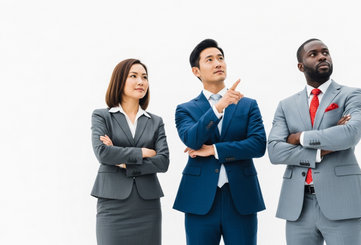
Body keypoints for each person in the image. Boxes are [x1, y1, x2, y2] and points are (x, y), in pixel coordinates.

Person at [267, 39, 361, 245]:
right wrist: (320, 151)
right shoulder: (286, 105)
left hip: (343, 202)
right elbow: (275, 151)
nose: (322, 56)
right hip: (298, 207)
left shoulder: (351, 95)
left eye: (325, 52)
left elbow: (350, 134)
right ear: (301, 66)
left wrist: (299, 138)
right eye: (313, 54)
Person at [173, 39, 266, 245]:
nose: (218, 63)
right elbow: (192, 139)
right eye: (210, 59)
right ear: (196, 71)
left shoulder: (248, 105)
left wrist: (215, 149)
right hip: (199, 200)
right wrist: (218, 108)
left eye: (220, 58)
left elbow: (258, 145)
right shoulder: (185, 109)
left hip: (241, 198)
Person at [90, 58, 169, 245]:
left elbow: (163, 161)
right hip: (112, 205)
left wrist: (124, 162)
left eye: (144, 77)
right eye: (133, 76)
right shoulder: (102, 116)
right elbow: (102, 153)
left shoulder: (155, 121)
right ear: (119, 80)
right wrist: (143, 152)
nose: (141, 81)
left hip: (147, 207)